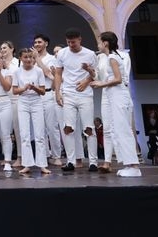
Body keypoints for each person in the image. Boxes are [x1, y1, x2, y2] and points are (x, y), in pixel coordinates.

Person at [89, 31, 142, 177]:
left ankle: (134, 166)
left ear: (106, 43)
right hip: (115, 95)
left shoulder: (112, 57)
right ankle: (129, 164)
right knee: (117, 129)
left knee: (123, 129)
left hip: (119, 95)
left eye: (100, 42)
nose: (98, 44)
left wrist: (101, 84)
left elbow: (118, 79)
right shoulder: (110, 57)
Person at [54, 27, 99, 172]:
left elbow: (95, 74)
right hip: (68, 93)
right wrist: (57, 93)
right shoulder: (62, 53)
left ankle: (93, 161)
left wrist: (86, 80)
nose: (71, 45)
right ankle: (71, 161)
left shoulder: (90, 54)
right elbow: (58, 74)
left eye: (73, 42)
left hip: (85, 94)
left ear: (79, 39)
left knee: (88, 128)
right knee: (68, 128)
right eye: (68, 42)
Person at [12, 47, 50, 175]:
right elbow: (15, 91)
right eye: (26, 57)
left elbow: (43, 91)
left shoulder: (38, 71)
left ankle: (42, 165)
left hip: (36, 102)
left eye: (30, 57)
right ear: (21, 58)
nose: (28, 60)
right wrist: (24, 88)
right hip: (23, 102)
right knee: (25, 135)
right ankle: (27, 164)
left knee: (39, 135)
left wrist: (34, 87)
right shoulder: (17, 72)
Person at [33, 33, 63, 165]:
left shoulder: (51, 59)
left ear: (46, 43)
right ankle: (44, 155)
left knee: (52, 127)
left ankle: (56, 155)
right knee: (39, 129)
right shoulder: (31, 60)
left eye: (39, 42)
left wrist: (37, 60)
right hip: (35, 96)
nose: (36, 45)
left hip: (48, 94)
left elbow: (49, 74)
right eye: (35, 43)